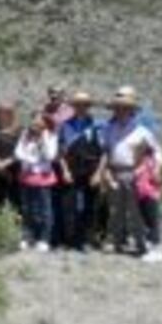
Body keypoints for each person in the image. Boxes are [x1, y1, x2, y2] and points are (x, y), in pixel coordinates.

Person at [96, 86, 162, 256]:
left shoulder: (142, 131)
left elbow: (157, 152)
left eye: (124, 108)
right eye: (117, 107)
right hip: (115, 173)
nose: (120, 111)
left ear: (131, 110)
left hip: (136, 175)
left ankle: (143, 245)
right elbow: (105, 151)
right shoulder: (109, 129)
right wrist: (105, 173)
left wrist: (156, 170)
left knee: (136, 212)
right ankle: (117, 242)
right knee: (115, 211)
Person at [58, 92, 103, 251]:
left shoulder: (97, 125)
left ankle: (86, 239)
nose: (81, 107)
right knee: (68, 205)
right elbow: (60, 152)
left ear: (88, 106)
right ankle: (70, 240)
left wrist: (98, 173)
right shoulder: (65, 125)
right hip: (72, 169)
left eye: (84, 105)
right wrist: (65, 171)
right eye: (77, 104)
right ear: (73, 107)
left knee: (91, 205)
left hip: (91, 170)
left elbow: (104, 152)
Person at [15, 112, 58, 252]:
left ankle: (44, 238)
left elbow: (50, 156)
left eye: (38, 121)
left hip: (43, 177)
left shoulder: (50, 136)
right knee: (27, 209)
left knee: (44, 210)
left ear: (44, 123)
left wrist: (42, 139)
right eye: (33, 121)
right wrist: (30, 159)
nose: (35, 124)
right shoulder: (25, 135)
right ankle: (28, 237)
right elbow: (18, 153)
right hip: (27, 176)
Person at [133, 141, 162, 263]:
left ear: (143, 151)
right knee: (146, 223)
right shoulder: (140, 163)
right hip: (141, 196)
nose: (134, 153)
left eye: (137, 150)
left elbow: (158, 179)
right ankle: (150, 249)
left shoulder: (151, 163)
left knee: (152, 224)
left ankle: (156, 252)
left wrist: (156, 174)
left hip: (150, 196)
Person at [0, 102, 21, 212]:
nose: (3, 115)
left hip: (13, 170)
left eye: (6, 112)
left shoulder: (19, 131)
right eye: (0, 112)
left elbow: (22, 149)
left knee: (15, 199)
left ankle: (17, 220)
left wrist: (6, 163)